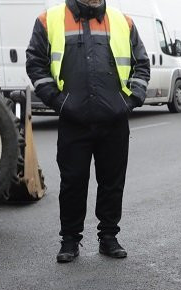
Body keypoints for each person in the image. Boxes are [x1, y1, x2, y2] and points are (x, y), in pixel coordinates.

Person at [26, 0, 150, 263]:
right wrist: (59, 102)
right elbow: (35, 64)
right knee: (73, 182)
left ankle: (108, 237)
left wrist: (129, 102)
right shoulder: (49, 20)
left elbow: (142, 65)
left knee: (112, 182)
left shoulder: (123, 22)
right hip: (74, 120)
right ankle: (70, 240)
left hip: (114, 121)